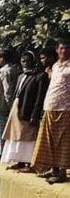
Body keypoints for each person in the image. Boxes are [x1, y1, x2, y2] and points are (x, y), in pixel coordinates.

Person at [1, 52, 49, 172]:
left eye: (28, 61)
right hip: (17, 108)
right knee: (16, 136)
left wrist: (35, 114)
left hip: (28, 110)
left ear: (33, 61)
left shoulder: (40, 76)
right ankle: (19, 161)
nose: (25, 63)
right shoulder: (21, 76)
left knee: (28, 137)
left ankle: (29, 163)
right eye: (23, 61)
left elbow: (39, 98)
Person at [32, 38, 70, 184]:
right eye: (62, 48)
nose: (64, 51)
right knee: (49, 140)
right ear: (57, 50)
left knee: (63, 141)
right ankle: (52, 168)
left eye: (67, 48)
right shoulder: (54, 66)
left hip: (65, 108)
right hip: (50, 106)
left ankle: (61, 172)